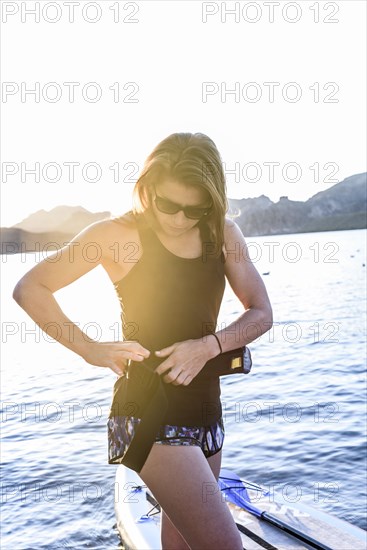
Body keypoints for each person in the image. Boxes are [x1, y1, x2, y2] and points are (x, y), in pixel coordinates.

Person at [13, 132, 273, 550]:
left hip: (206, 406)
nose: (179, 218)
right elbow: (31, 288)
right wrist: (89, 349)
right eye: (168, 204)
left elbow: (261, 312)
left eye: (195, 208)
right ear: (147, 188)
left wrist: (209, 345)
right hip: (146, 410)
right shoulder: (113, 235)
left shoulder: (223, 234)